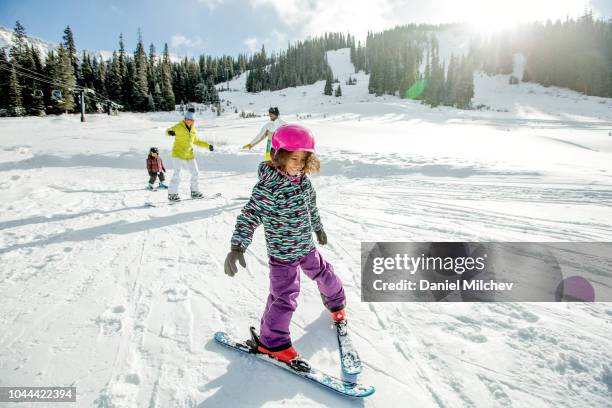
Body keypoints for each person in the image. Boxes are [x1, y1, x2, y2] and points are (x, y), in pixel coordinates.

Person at [225, 124, 346, 365]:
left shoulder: (302, 180)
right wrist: (237, 246)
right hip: (283, 255)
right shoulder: (270, 186)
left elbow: (311, 206)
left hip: (305, 245)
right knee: (284, 296)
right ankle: (272, 342)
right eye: (293, 158)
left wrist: (318, 227)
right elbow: (251, 214)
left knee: (325, 272)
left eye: (303, 159)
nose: (298, 164)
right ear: (278, 155)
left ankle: (336, 303)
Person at [165, 108, 214, 201]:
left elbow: (196, 141)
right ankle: (172, 194)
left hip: (189, 154)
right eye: (187, 119)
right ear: (184, 119)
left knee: (195, 172)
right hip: (178, 153)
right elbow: (168, 130)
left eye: (191, 120)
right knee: (177, 173)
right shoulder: (178, 126)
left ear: (193, 121)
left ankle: (194, 192)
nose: (188, 121)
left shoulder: (193, 130)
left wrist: (208, 146)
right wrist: (169, 132)